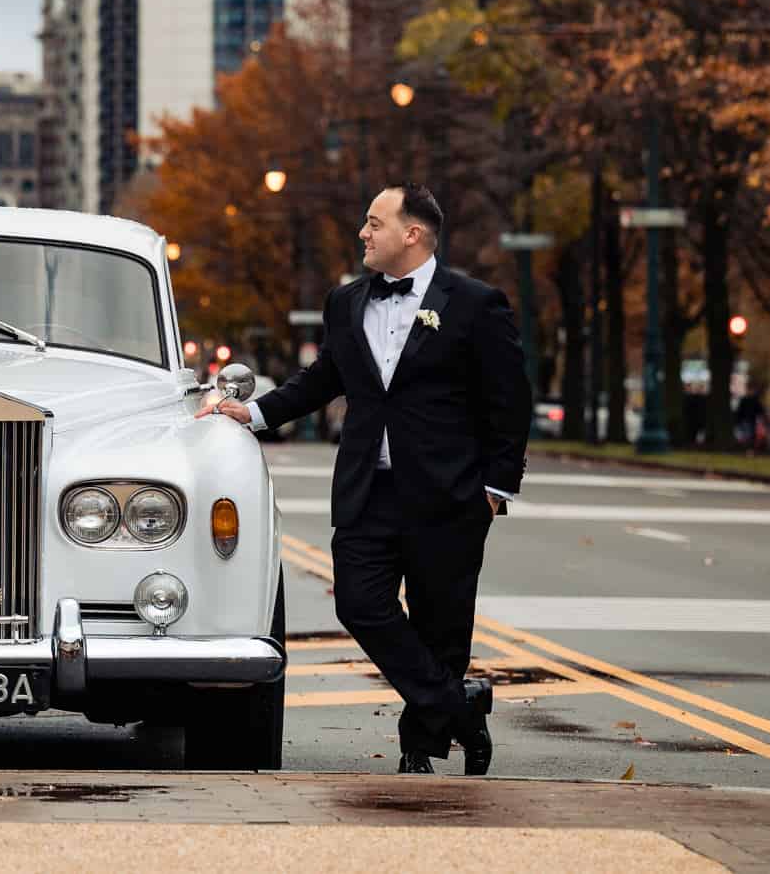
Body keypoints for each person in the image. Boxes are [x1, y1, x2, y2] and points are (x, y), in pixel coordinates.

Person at [199, 183, 531, 775]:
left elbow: (509, 401)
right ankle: (461, 708)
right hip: (367, 490)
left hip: (449, 495)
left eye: (374, 223)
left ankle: (420, 749)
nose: (363, 233)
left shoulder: (478, 304)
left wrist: (495, 488)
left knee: (441, 626)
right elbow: (324, 377)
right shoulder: (346, 302)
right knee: (359, 603)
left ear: (414, 233)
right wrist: (252, 413)